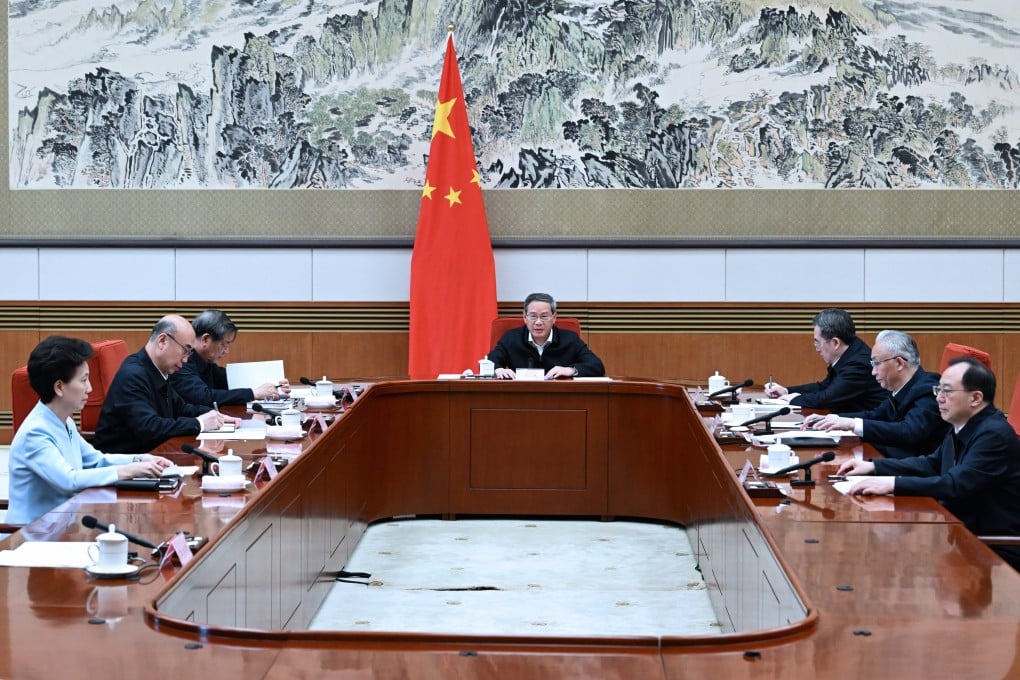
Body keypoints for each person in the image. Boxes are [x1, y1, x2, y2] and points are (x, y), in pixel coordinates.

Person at [839, 357, 1020, 570]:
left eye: (947, 391)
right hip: (958, 532)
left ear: (976, 398)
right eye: (938, 391)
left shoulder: (993, 435)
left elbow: (955, 485)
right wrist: (875, 467)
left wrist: (892, 484)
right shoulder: (963, 424)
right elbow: (932, 463)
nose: (939, 399)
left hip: (992, 546)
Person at [7, 336, 172, 525]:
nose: (90, 388)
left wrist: (140, 459)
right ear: (59, 387)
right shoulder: (35, 433)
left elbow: (96, 461)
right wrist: (127, 470)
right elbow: (69, 480)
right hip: (30, 536)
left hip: (63, 525)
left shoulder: (64, 422)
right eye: (84, 380)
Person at [94, 315, 239, 453]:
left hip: (152, 457)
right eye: (185, 351)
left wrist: (214, 415)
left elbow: (180, 407)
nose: (186, 360)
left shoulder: (157, 368)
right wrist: (199, 423)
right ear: (163, 341)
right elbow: (151, 427)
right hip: (124, 466)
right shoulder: (133, 375)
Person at [803, 329, 946, 459]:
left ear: (899, 363)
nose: (873, 372)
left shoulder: (928, 389)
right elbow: (875, 415)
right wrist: (834, 419)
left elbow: (908, 432)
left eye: (877, 364)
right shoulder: (901, 388)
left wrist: (853, 424)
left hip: (915, 475)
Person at [764, 308, 886, 412]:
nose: (817, 349)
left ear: (835, 343)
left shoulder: (858, 364)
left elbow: (827, 399)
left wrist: (792, 399)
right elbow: (825, 386)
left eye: (818, 343)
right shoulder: (851, 351)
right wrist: (787, 391)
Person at [170, 309, 289, 407]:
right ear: (205, 339)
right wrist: (253, 394)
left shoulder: (205, 361)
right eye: (224, 344)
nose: (226, 351)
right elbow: (203, 397)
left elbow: (232, 380)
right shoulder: (181, 362)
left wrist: (275, 383)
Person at [488, 293, 604, 380]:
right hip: (520, 399)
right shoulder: (511, 338)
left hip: (560, 401)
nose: (538, 322)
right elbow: (490, 361)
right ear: (524, 317)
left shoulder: (570, 339)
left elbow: (597, 366)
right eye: (533, 316)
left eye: (544, 316)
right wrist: (498, 369)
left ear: (554, 318)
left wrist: (570, 370)